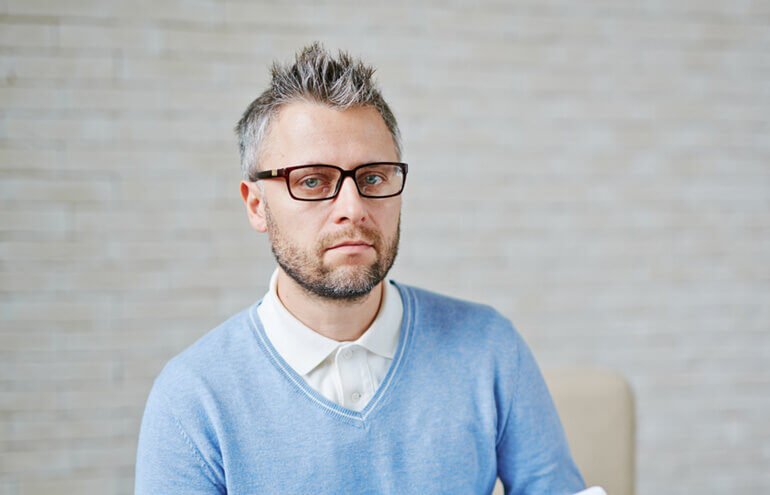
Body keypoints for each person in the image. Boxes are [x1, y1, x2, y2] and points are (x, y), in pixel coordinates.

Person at [135, 42, 585, 494]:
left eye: (372, 178)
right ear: (256, 205)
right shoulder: (193, 398)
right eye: (313, 181)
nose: (353, 209)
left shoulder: (489, 347)